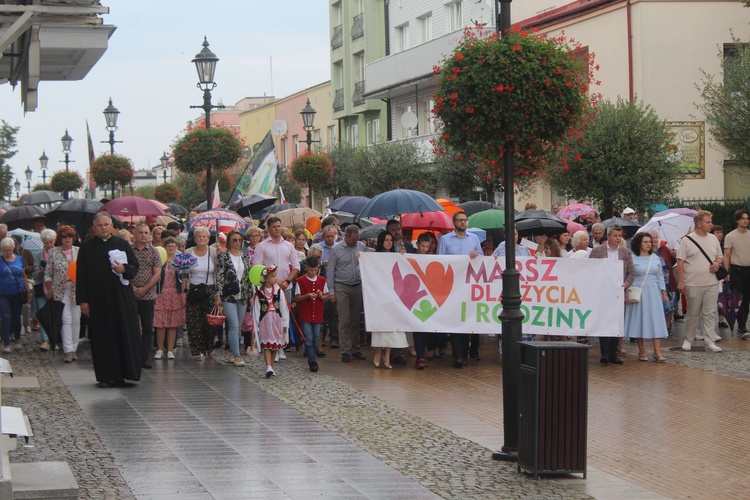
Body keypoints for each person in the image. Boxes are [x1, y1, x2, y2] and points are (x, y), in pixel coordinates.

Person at [76, 213, 142, 387]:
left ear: (112, 226)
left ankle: (123, 374)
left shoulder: (122, 244)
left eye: (106, 224)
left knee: (123, 333)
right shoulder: (87, 247)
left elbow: (135, 267)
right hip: (98, 299)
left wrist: (124, 269)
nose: (103, 227)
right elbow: (81, 275)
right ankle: (105, 376)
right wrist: (83, 301)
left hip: (121, 297)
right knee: (102, 337)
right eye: (100, 225)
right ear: (94, 227)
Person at [438, 211, 483, 368]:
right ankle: (458, 355)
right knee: (456, 319)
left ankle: (464, 353)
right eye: (460, 220)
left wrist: (477, 254)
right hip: (453, 285)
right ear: (454, 223)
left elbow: (483, 259)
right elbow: (440, 260)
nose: (463, 222)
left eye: (465, 220)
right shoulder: (445, 240)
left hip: (470, 285)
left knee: (467, 319)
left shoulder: (474, 239)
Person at [677, 210, 723, 352]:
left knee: (710, 312)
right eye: (708, 222)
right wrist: (681, 281)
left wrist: (717, 263)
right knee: (692, 312)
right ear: (698, 224)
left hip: (711, 282)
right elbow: (680, 261)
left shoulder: (713, 239)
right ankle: (688, 339)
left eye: (711, 222)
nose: (711, 224)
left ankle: (709, 341)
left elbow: (720, 256)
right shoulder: (687, 240)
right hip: (693, 282)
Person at [589, 224, 635, 365]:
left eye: (620, 236)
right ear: (608, 236)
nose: (617, 238)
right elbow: (589, 270)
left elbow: (631, 273)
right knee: (603, 322)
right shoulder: (598, 251)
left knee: (616, 323)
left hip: (619, 292)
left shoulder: (626, 252)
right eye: (615, 235)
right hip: (602, 292)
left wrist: (626, 284)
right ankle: (605, 354)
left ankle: (614, 353)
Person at [624, 233, 669, 361]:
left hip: (653, 291)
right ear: (639, 244)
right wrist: (627, 291)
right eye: (645, 242)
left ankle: (657, 351)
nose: (649, 244)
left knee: (656, 319)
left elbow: (660, 276)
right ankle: (642, 351)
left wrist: (663, 292)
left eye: (650, 241)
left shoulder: (655, 258)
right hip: (638, 291)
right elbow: (628, 275)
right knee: (639, 319)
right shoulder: (632, 258)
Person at [328, 224, 367, 363]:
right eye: (352, 240)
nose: (355, 243)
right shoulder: (336, 249)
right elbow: (330, 271)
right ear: (346, 237)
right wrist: (331, 291)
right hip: (342, 286)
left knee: (356, 320)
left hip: (357, 286)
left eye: (357, 240)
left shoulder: (361, 246)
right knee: (344, 320)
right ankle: (345, 350)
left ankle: (355, 348)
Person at [371, 231, 408, 368]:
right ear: (381, 241)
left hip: (393, 295)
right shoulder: (375, 257)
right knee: (381, 325)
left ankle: (387, 354)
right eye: (386, 240)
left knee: (392, 325)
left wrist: (403, 256)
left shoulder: (395, 256)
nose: (389, 242)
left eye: (391, 240)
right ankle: (378, 351)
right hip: (380, 296)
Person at [215, 229, 253, 366]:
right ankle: (237, 355)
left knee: (238, 325)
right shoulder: (223, 256)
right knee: (233, 324)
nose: (237, 243)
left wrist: (250, 295)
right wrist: (218, 295)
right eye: (234, 240)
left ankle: (232, 351)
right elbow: (219, 276)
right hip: (228, 294)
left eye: (239, 240)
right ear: (229, 242)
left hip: (243, 294)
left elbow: (248, 277)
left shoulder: (245, 257)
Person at [44, 226, 80, 362]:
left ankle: (74, 348)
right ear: (60, 239)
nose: (67, 239)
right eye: (64, 236)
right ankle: (68, 350)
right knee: (66, 319)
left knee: (76, 320)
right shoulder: (54, 253)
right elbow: (48, 273)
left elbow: (85, 271)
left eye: (70, 236)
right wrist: (49, 289)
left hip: (77, 290)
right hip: (60, 290)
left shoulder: (79, 252)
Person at [131, 223, 162, 369]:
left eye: (146, 232)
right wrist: (134, 288)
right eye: (140, 232)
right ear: (135, 234)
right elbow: (123, 271)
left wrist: (144, 289)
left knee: (148, 327)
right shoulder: (128, 250)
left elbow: (157, 274)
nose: (143, 235)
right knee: (132, 327)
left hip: (148, 295)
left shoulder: (154, 251)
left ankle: (145, 357)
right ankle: (132, 356)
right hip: (130, 294)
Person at [184, 226, 218, 360]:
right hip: (194, 288)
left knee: (209, 322)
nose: (201, 239)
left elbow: (219, 272)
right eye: (199, 236)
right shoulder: (188, 252)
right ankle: (198, 350)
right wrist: (185, 290)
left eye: (204, 236)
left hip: (210, 288)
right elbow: (184, 272)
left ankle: (209, 347)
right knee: (194, 321)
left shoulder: (214, 252)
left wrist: (218, 294)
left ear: (209, 239)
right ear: (195, 239)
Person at [252, 265, 289, 378]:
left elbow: (283, 308)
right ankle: (268, 365)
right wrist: (256, 325)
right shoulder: (260, 293)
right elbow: (257, 309)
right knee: (267, 344)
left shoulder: (278, 291)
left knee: (274, 345)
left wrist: (284, 323)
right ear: (267, 278)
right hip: (265, 321)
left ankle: (271, 367)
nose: (275, 279)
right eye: (273, 277)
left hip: (276, 320)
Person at [294, 256, 329, 372]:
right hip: (305, 314)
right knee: (308, 338)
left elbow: (326, 296)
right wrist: (307, 296)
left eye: (315, 270)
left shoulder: (322, 280)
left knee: (315, 338)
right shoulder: (300, 281)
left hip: (317, 314)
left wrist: (320, 296)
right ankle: (312, 360)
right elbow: (297, 298)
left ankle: (312, 356)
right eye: (311, 270)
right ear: (306, 268)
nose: (313, 273)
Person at [153, 237, 185, 361]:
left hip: (175, 293)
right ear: (165, 247)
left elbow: (184, 278)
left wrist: (183, 292)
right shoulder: (160, 261)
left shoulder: (180, 261)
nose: (171, 248)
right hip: (161, 293)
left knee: (173, 324)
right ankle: (160, 348)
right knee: (160, 324)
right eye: (169, 246)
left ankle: (170, 350)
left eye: (173, 246)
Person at [0, 237, 30, 352]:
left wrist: (27, 291)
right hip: (3, 293)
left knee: (17, 316)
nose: (7, 252)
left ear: (13, 249)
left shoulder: (19, 259)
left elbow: (23, 276)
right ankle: (6, 343)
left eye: (9, 250)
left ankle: (17, 339)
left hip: (18, 293)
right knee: (6, 317)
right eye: (5, 250)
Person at [724, 209, 750, 339]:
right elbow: (727, 255)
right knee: (738, 298)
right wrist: (726, 271)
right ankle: (742, 326)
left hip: (748, 270)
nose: (745, 220)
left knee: (746, 300)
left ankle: (743, 324)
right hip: (736, 270)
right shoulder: (730, 236)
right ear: (737, 220)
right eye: (743, 218)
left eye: (747, 218)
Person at [33, 228, 56, 351]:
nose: (48, 245)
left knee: (54, 314)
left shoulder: (58, 253)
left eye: (51, 242)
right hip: (42, 288)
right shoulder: (38, 255)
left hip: (56, 288)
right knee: (43, 314)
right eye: (46, 243)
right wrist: (43, 269)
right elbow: (36, 274)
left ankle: (53, 339)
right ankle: (45, 339)